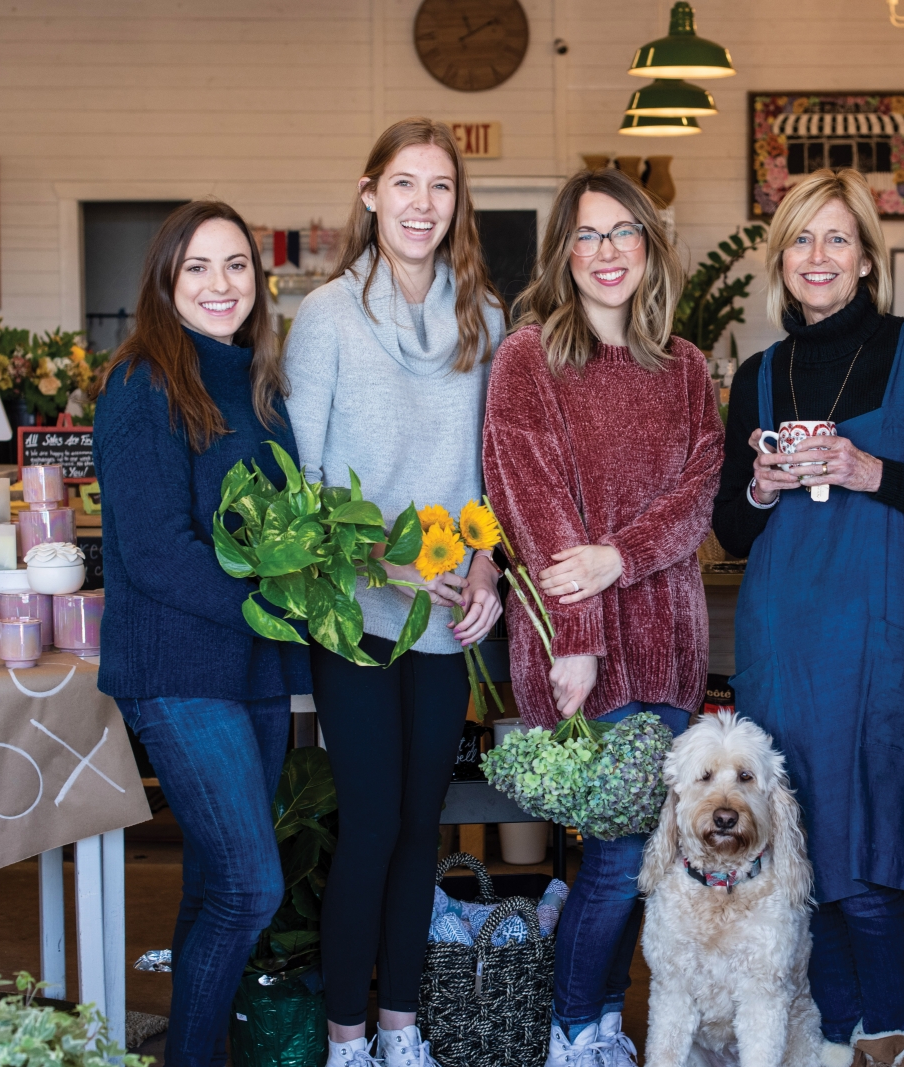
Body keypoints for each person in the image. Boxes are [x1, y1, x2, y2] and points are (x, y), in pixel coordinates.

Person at [712, 168, 904, 1067]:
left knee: (866, 848)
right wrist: (759, 483)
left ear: (866, 257)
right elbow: (731, 530)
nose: (817, 257)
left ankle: (888, 1017)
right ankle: (831, 1026)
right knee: (797, 843)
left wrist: (871, 472)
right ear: (781, 260)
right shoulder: (759, 375)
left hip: (884, 636)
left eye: (836, 239)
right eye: (800, 240)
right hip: (785, 635)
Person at [483, 166, 723, 1067]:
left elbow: (700, 493)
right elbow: (529, 504)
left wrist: (621, 555)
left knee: (650, 858)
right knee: (620, 859)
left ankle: (604, 1024)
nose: (607, 252)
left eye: (624, 233)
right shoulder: (529, 358)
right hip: (580, 649)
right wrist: (575, 640)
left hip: (670, 646)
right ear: (563, 254)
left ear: (650, 247)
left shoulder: (687, 367)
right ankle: (575, 1026)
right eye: (587, 236)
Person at [283, 117, 506, 1067]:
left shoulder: (486, 320)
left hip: (451, 614)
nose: (423, 204)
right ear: (371, 194)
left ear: (458, 204)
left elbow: (496, 473)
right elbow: (304, 487)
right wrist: (387, 567)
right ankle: (346, 1036)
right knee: (371, 823)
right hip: (357, 613)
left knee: (425, 824)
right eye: (405, 184)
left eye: (441, 187)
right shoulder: (328, 316)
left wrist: (488, 563)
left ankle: (403, 1030)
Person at [92, 199, 311, 1067]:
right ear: (165, 282)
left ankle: (193, 1050)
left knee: (214, 883)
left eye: (236, 266)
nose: (221, 285)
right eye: (198, 268)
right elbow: (152, 553)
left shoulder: (255, 381)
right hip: (177, 671)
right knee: (251, 887)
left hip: (250, 671)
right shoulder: (143, 382)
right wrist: (270, 606)